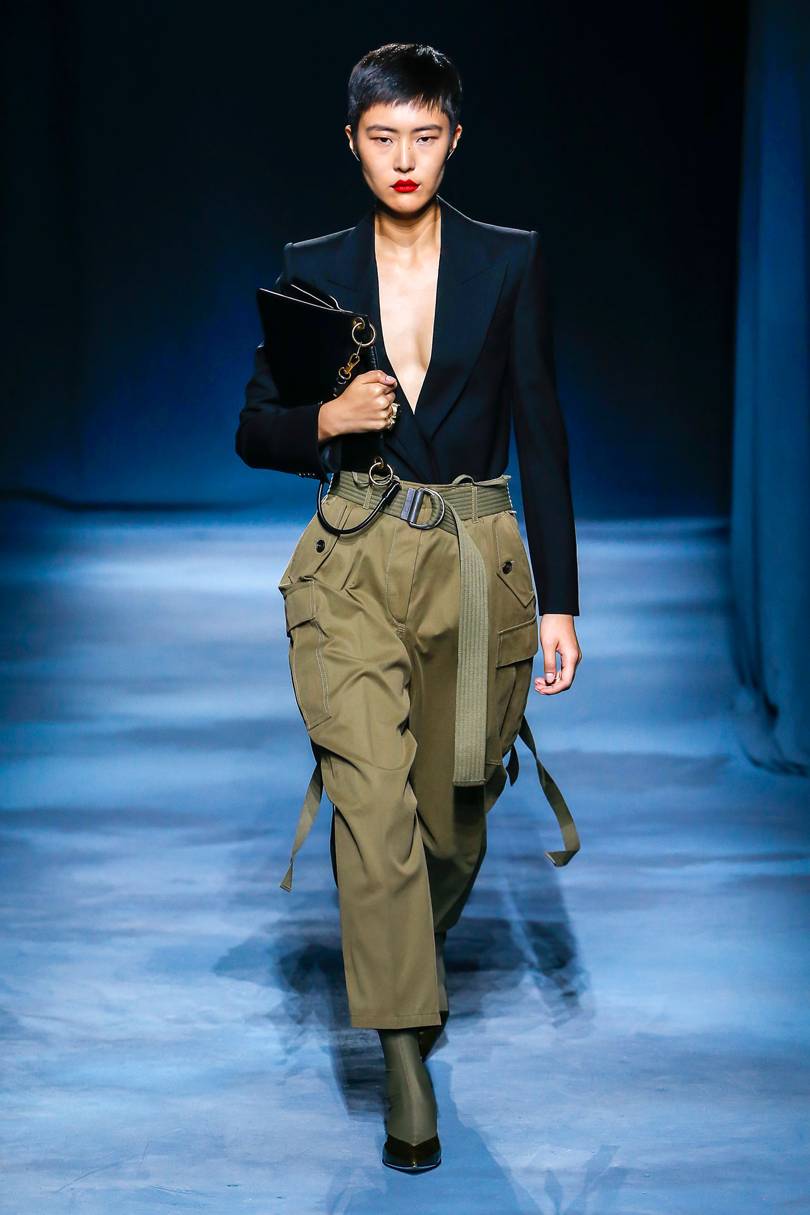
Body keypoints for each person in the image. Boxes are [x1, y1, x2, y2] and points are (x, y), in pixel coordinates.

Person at [235, 42, 583, 1174]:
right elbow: (254, 429)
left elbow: (543, 428)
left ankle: (404, 969)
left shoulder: (509, 260)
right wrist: (327, 423)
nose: (403, 158)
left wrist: (562, 602)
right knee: (373, 807)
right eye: (382, 136)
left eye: (424, 136)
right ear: (353, 142)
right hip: (351, 560)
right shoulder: (313, 270)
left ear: (453, 140)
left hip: (477, 561)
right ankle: (404, 1067)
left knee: (456, 817)